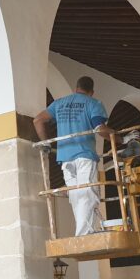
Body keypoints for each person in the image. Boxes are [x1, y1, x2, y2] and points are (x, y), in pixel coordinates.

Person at [33, 76, 109, 236]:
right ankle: (83, 234)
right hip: (84, 155)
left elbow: (38, 120)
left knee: (75, 195)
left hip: (65, 158)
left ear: (76, 88)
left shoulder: (59, 103)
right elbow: (100, 129)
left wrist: (45, 142)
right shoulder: (93, 103)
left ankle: (83, 232)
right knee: (88, 192)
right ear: (91, 92)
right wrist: (122, 138)